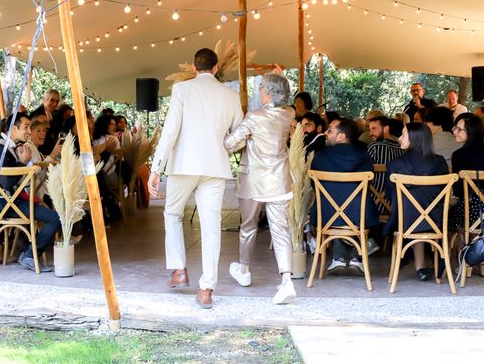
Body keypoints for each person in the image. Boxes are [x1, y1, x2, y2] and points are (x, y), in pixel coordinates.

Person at [148, 48, 243, 309]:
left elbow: (170, 131)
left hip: (183, 165)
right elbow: (238, 136)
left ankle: (179, 269)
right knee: (211, 228)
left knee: (172, 214)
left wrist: (156, 168)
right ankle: (206, 289)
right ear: (215, 68)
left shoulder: (182, 90)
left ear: (193, 67)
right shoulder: (231, 96)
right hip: (215, 167)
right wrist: (222, 147)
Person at [224, 73, 296, 305]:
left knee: (248, 227)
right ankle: (287, 281)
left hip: (254, 181)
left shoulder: (254, 117)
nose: (259, 91)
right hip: (280, 180)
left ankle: (244, 270)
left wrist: (232, 134)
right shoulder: (289, 115)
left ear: (267, 91)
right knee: (280, 230)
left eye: (262, 87)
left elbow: (230, 143)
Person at [0, 112, 60, 273]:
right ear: (13, 128)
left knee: (53, 215)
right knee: (54, 218)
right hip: (5, 204)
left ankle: (28, 253)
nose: (28, 131)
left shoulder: (9, 147)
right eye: (26, 127)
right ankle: (30, 255)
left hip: (13, 200)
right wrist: (23, 163)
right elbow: (6, 182)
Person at [310, 118, 378, 273]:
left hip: (326, 216)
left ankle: (337, 258)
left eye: (330, 131)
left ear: (341, 137)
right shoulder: (364, 157)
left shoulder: (320, 157)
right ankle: (357, 258)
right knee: (354, 205)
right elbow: (368, 187)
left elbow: (313, 186)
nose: (325, 133)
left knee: (337, 206)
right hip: (360, 216)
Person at [383, 123, 449, 281]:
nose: (399, 138)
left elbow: (390, 195)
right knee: (425, 211)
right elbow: (444, 195)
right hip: (436, 220)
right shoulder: (440, 162)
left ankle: (417, 264)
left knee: (411, 210)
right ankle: (429, 263)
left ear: (415, 139)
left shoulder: (395, 164)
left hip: (405, 221)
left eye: (403, 134)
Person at [450, 113, 484, 232]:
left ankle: (463, 249)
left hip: (470, 214)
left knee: (448, 216)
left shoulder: (459, 155)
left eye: (459, 129)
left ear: (471, 131)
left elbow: (459, 191)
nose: (454, 132)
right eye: (455, 128)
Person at [366, 116, 404, 216]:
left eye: (374, 129)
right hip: (397, 206)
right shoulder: (402, 150)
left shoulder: (374, 147)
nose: (370, 133)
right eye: (369, 130)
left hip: (372, 206)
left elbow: (363, 174)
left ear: (386, 129)